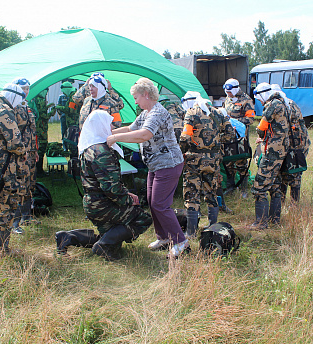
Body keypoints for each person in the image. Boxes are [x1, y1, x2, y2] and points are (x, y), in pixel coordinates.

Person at [106, 77, 188, 258]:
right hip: (156, 165)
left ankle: (180, 241)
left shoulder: (157, 112)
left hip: (168, 164)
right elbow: (130, 129)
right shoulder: (145, 113)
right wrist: (108, 132)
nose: (135, 101)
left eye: (136, 97)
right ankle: (164, 238)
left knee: (160, 204)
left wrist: (115, 138)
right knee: (152, 202)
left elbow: (144, 134)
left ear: (145, 94)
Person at [68, 109, 152, 260]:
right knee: (143, 218)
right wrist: (129, 201)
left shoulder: (89, 147)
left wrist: (126, 193)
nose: (112, 128)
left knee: (107, 236)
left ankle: (68, 237)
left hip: (92, 204)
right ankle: (103, 247)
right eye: (110, 124)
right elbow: (111, 188)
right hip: (104, 205)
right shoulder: (102, 152)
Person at [179, 91, 235, 237]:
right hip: (214, 159)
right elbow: (231, 134)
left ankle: (191, 232)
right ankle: (212, 227)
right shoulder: (217, 113)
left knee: (192, 193)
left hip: (194, 160)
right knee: (212, 191)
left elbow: (185, 137)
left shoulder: (192, 113)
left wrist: (182, 152)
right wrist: (215, 142)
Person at [0, 83, 28, 253]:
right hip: (4, 166)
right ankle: (1, 249)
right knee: (6, 205)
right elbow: (15, 143)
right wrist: (24, 152)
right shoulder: (4, 112)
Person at [250, 83, 290, 229]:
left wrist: (261, 134)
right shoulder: (284, 103)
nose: (260, 102)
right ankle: (275, 219)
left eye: (259, 98)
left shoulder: (272, 105)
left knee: (259, 186)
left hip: (272, 152)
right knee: (275, 185)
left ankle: (260, 223)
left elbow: (261, 128)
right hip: (282, 151)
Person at [271, 84, 311, 203]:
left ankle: (292, 203)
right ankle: (285, 202)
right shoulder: (289, 103)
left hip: (295, 145)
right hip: (294, 144)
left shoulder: (283, 105)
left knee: (292, 173)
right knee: (287, 173)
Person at [11, 78, 38, 234]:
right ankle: (15, 222)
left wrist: (35, 151)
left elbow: (32, 132)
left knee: (29, 184)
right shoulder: (13, 107)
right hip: (20, 154)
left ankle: (27, 217)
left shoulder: (26, 106)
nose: (26, 91)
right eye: (23, 88)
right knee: (18, 186)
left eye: (27, 88)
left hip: (30, 153)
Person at [223, 78, 255, 197]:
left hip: (240, 138)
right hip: (228, 137)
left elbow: (251, 119)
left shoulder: (246, 100)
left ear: (236, 89)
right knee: (228, 162)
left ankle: (243, 190)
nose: (229, 94)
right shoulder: (227, 99)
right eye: (227, 92)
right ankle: (230, 187)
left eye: (230, 92)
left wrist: (234, 121)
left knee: (241, 162)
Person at [29, 89, 56, 176]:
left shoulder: (36, 98)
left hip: (38, 127)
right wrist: (51, 113)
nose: (46, 93)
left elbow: (40, 110)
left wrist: (47, 106)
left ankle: (38, 169)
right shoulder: (40, 100)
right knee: (41, 147)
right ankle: (39, 171)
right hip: (41, 128)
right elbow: (43, 115)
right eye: (46, 90)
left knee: (39, 147)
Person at [56, 81, 79, 157]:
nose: (64, 94)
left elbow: (70, 110)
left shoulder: (73, 97)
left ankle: (74, 160)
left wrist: (58, 107)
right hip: (72, 123)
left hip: (74, 124)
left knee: (73, 144)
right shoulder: (73, 96)